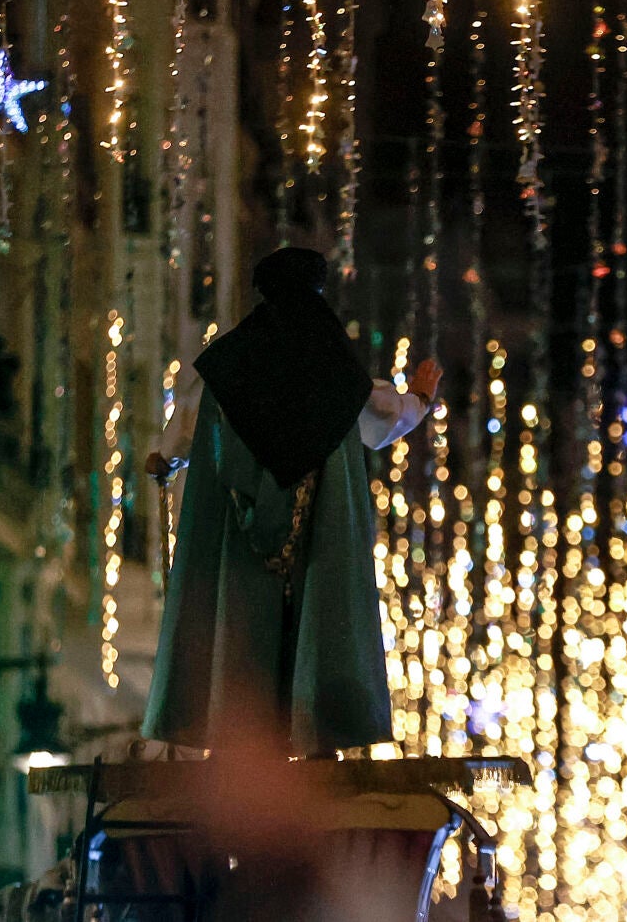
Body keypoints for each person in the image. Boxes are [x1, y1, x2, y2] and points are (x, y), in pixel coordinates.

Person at [142, 247, 442, 757]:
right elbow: (383, 416)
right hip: (318, 531)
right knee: (317, 619)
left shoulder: (225, 367)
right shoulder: (335, 370)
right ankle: (318, 734)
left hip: (237, 537)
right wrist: (419, 399)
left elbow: (185, 424)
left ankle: (240, 735)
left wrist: (166, 460)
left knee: (239, 618)